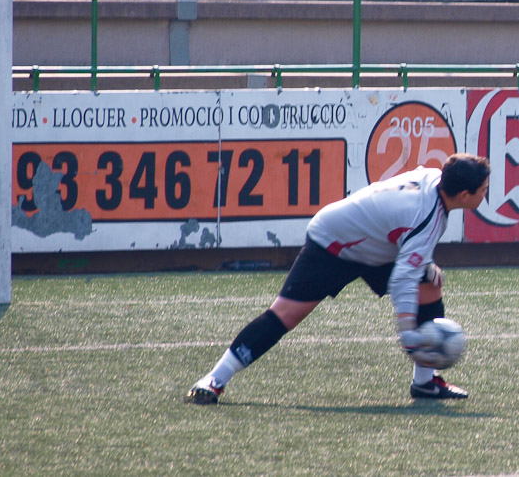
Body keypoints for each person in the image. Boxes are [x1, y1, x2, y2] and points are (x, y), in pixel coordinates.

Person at [184, 152, 491, 404]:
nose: (485, 193)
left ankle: (425, 383)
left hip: (374, 245)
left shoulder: (435, 178)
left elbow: (402, 227)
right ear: (465, 195)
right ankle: (214, 379)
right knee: (286, 314)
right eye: (483, 189)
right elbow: (402, 279)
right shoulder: (429, 217)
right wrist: (408, 334)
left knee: (429, 284)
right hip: (334, 242)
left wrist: (422, 260)